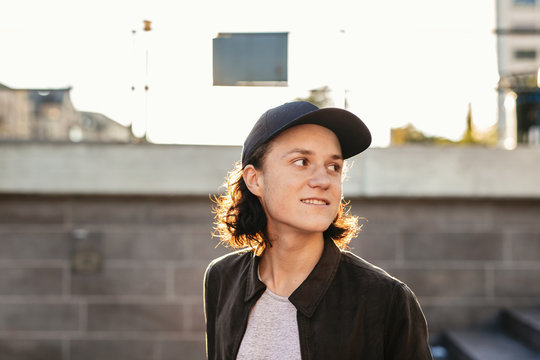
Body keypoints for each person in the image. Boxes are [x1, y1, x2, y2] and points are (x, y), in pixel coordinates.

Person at [204, 101, 433, 360]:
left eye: (333, 167)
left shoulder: (387, 300)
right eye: (302, 161)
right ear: (255, 179)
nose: (323, 181)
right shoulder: (222, 278)